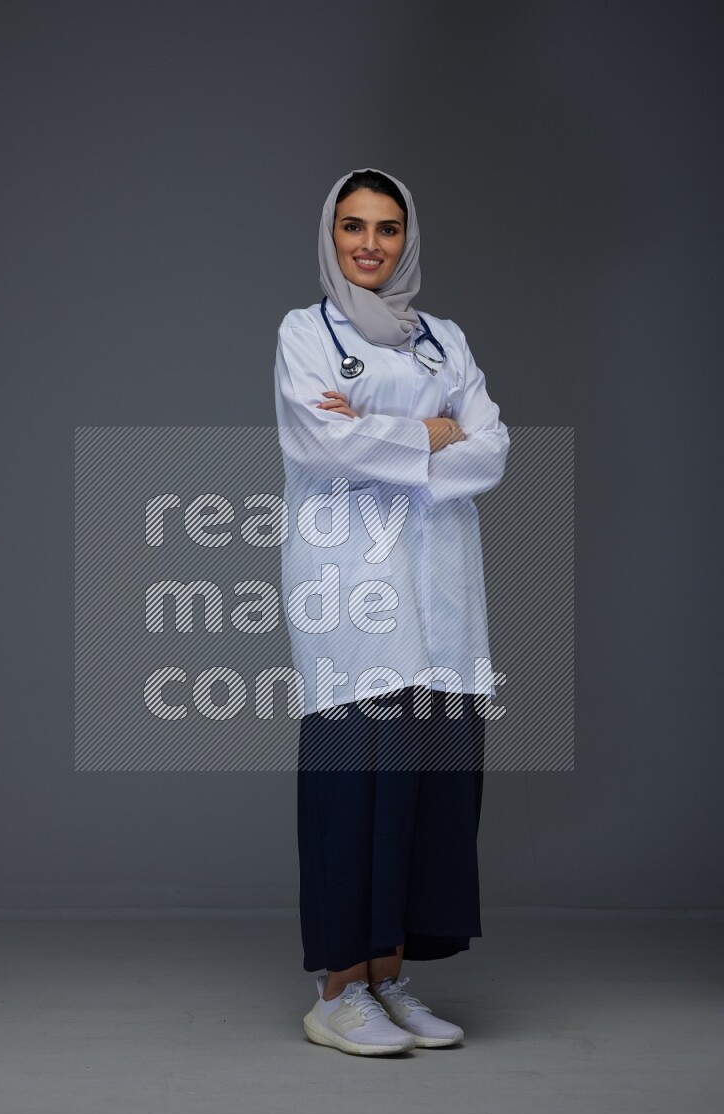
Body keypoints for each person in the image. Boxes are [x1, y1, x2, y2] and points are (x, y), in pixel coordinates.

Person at [273, 167, 510, 1056]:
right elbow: (320, 439)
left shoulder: (444, 340)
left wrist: (387, 430)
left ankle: (390, 975)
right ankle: (337, 989)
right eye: (351, 227)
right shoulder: (305, 332)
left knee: (426, 785)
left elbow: (493, 447)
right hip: (349, 583)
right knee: (352, 782)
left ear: (407, 238)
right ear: (330, 237)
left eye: (385, 228)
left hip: (441, 589)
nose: (369, 244)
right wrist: (433, 431)